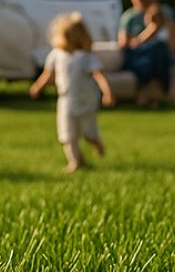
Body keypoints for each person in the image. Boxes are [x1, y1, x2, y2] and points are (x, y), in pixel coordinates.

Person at [30, 12, 115, 173]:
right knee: (67, 134)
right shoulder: (56, 55)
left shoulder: (85, 57)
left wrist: (107, 92)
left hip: (86, 101)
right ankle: (75, 161)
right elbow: (48, 74)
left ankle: (95, 141)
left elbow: (99, 75)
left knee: (88, 132)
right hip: (66, 100)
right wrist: (38, 86)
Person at [118, 0, 175, 106]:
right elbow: (124, 44)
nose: (141, 0)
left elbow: (174, 42)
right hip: (138, 55)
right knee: (153, 53)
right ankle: (159, 91)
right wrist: (150, 32)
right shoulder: (129, 17)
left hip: (162, 53)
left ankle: (147, 91)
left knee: (158, 49)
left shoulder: (165, 13)